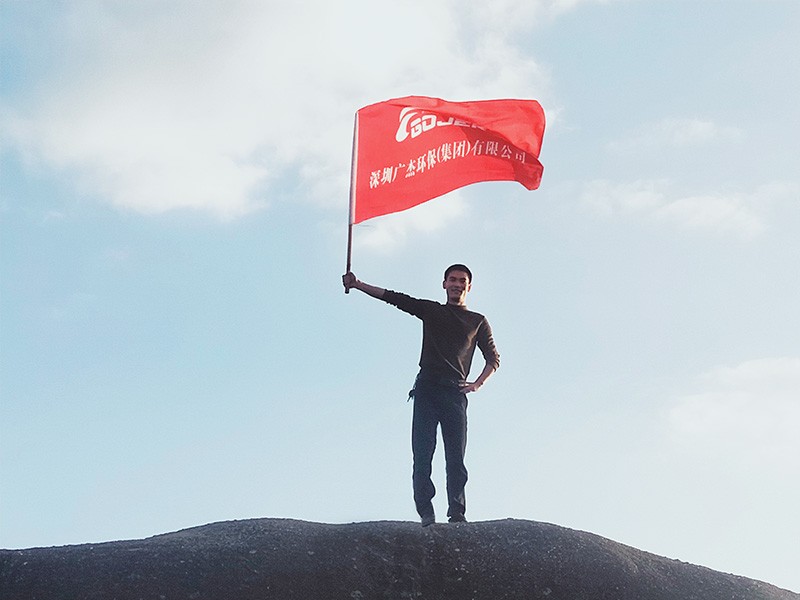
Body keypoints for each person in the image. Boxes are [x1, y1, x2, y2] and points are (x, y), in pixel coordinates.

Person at [342, 264, 500, 526]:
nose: (457, 284)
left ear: (469, 286)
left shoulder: (477, 321)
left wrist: (478, 384)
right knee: (423, 454)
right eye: (452, 280)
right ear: (444, 284)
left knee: (455, 458)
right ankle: (426, 512)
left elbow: (493, 358)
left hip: (455, 392)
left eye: (462, 281)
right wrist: (358, 284)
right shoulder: (432, 310)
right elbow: (395, 298)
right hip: (427, 388)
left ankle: (457, 512)